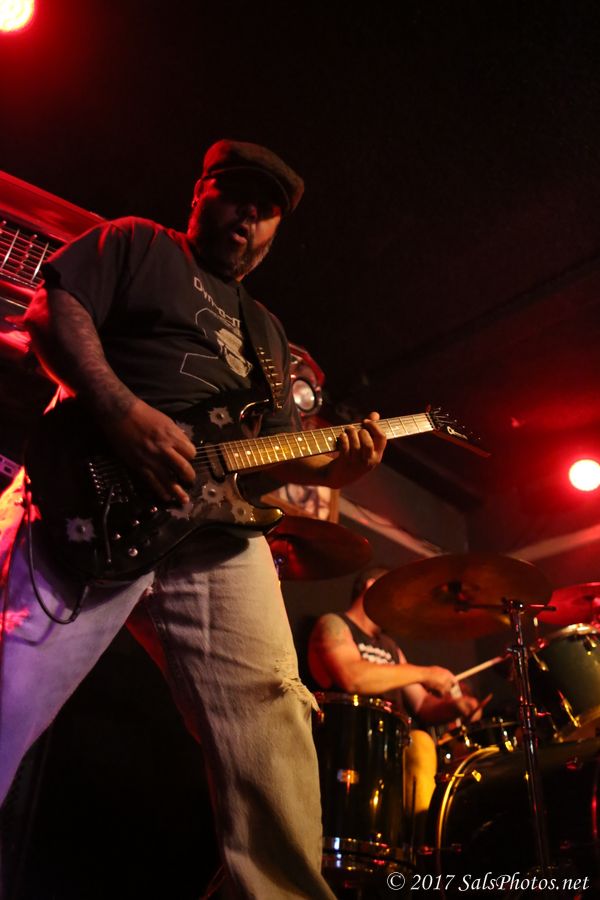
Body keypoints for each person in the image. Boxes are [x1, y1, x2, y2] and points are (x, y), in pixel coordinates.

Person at [0, 140, 389, 899]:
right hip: (92, 492)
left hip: (215, 532)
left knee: (273, 720)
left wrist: (336, 469)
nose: (250, 214)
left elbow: (265, 458)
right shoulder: (137, 243)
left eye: (267, 209)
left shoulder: (268, 333)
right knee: (11, 686)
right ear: (200, 193)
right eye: (236, 193)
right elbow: (53, 310)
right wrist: (122, 411)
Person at [307, 566, 481, 843]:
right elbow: (352, 677)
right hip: (349, 746)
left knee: (422, 742)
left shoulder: (390, 646)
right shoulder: (334, 624)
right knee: (421, 742)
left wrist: (456, 706)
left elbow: (422, 705)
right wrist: (424, 673)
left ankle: (423, 844)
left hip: (392, 750)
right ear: (371, 586)